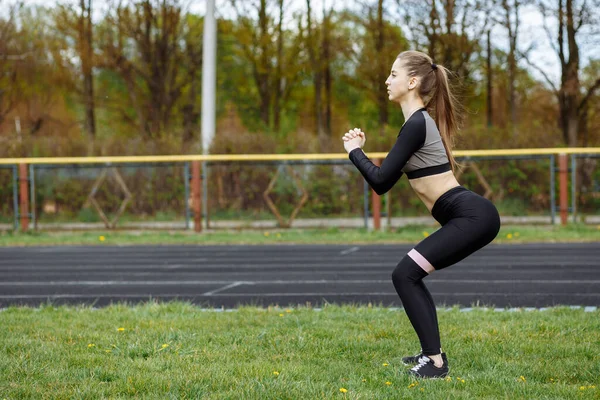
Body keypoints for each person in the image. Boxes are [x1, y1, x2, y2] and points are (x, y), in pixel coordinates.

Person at [342, 50, 501, 379]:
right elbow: (385, 176)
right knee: (409, 275)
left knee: (405, 275)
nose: (387, 80)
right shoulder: (415, 124)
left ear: (412, 82)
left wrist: (354, 151)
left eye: (393, 74)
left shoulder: (417, 124)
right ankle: (434, 355)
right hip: (470, 215)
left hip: (471, 216)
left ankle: (435, 362)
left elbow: (381, 182)